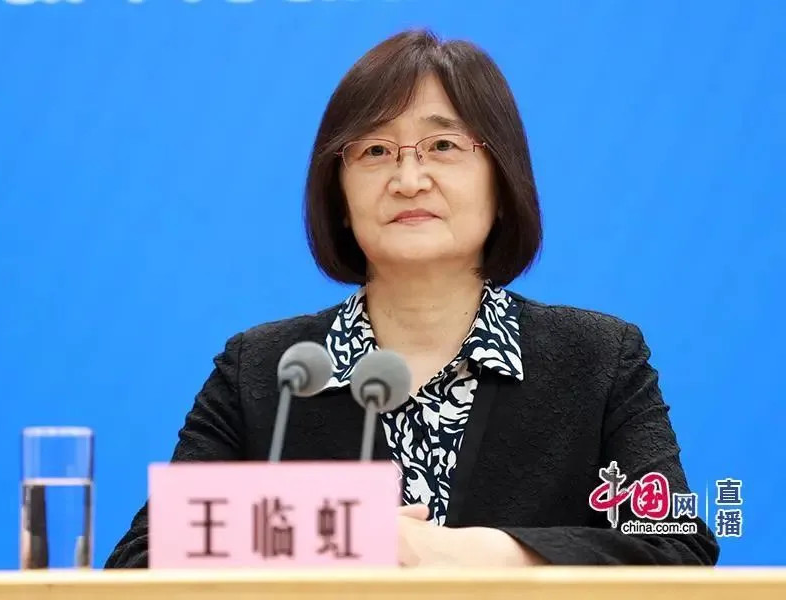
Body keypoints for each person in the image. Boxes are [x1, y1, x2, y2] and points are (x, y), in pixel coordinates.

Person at [106, 29, 718, 568]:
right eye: (375, 151)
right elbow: (140, 560)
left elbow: (677, 545)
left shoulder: (597, 359)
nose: (408, 179)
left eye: (443, 146)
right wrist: (339, 539)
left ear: (502, 181)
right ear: (339, 197)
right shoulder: (269, 371)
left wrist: (478, 553)